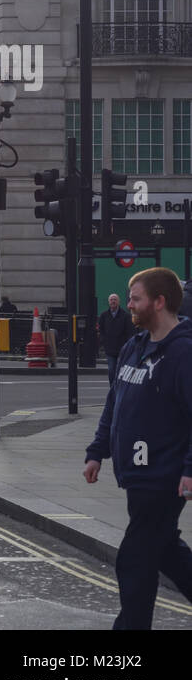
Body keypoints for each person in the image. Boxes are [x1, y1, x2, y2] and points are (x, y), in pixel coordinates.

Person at [84, 267, 192, 630]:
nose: (129, 304)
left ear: (159, 302)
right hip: (136, 475)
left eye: (136, 298)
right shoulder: (135, 345)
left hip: (164, 477)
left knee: (134, 560)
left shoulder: (183, 353)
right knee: (166, 552)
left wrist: (190, 469)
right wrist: (97, 450)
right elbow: (114, 403)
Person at [98, 292, 137, 386]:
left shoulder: (126, 316)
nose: (113, 301)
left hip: (122, 348)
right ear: (108, 302)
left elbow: (130, 331)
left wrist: (127, 345)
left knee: (120, 370)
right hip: (110, 348)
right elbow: (101, 329)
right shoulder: (104, 315)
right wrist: (104, 341)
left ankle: (118, 387)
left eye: (115, 299)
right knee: (111, 370)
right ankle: (112, 387)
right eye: (111, 300)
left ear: (118, 302)